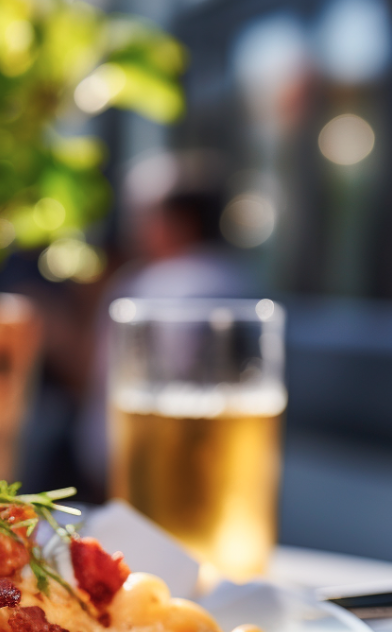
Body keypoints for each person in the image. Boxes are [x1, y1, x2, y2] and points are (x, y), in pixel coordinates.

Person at [75, 150, 258, 493]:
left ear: (181, 220)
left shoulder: (160, 287)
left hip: (148, 469)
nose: (136, 227)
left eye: (145, 214)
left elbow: (128, 373)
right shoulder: (236, 278)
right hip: (205, 470)